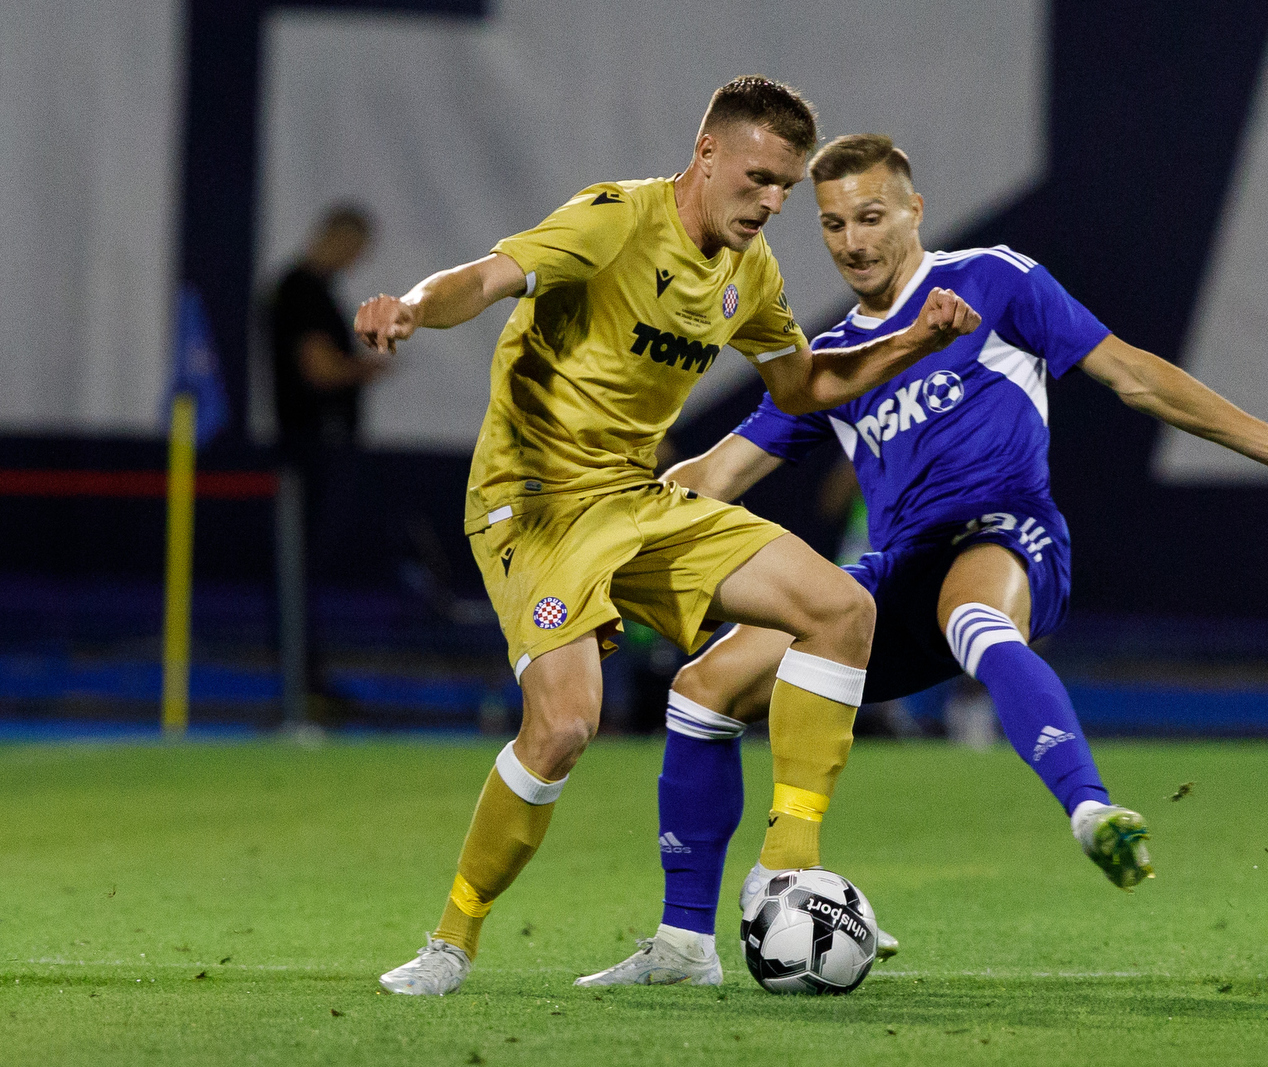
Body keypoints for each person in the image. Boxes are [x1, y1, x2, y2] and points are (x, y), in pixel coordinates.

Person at [576, 134, 1268, 986]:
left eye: (872, 216)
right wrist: (593, 540)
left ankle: (1089, 806)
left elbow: (1134, 376)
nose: (854, 240)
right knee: (702, 687)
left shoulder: (993, 280)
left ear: (915, 212)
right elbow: (714, 477)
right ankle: (684, 945)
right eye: (834, 224)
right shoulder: (832, 362)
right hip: (888, 581)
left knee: (973, 615)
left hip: (1006, 529)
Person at [354, 80, 981, 996]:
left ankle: (780, 873)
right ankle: (449, 944)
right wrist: (411, 306)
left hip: (637, 498)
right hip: (533, 504)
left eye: (786, 188)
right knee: (566, 726)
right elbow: (486, 278)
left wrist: (911, 343)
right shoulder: (612, 221)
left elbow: (800, 387)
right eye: (759, 178)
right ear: (707, 153)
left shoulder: (749, 270)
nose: (771, 203)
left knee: (841, 605)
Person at [266, 205, 389, 710]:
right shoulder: (302, 291)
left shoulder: (306, 290)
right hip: (310, 447)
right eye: (355, 248)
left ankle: (306, 680)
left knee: (305, 569)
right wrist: (368, 368)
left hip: (315, 446)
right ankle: (302, 684)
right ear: (335, 237)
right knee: (299, 567)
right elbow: (319, 371)